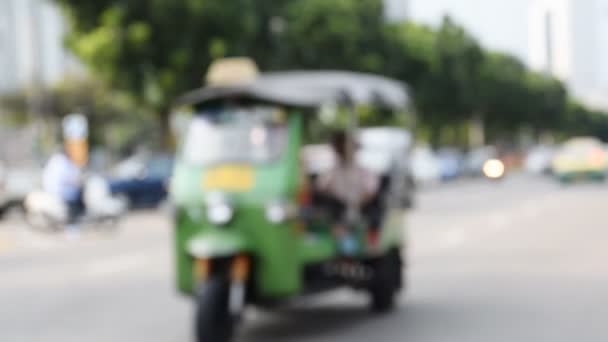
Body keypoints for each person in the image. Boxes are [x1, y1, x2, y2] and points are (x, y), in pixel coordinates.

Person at [316, 130, 380, 254]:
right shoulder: (332, 171)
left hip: (360, 206)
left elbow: (370, 191)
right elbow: (320, 188)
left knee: (374, 208)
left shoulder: (363, 171)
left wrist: (357, 202)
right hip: (338, 208)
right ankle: (341, 236)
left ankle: (370, 241)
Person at [42, 147, 83, 224]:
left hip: (52, 191)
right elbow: (69, 179)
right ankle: (74, 218)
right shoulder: (61, 162)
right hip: (62, 193)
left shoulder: (55, 161)